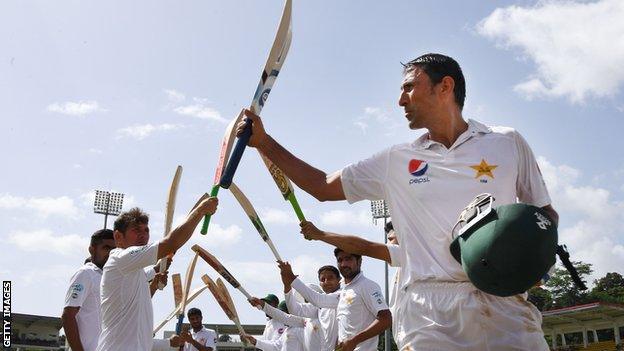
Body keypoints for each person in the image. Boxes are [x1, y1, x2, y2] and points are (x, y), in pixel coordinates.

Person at [236, 53, 557, 350]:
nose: (400, 99)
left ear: (445, 86)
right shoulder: (398, 160)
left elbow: (543, 213)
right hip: (430, 310)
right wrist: (264, 142)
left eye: (409, 87)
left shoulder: (507, 142)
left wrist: (538, 262)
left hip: (502, 297)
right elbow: (322, 186)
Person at [96, 194, 218, 351]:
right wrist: (200, 211)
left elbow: (136, 336)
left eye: (146, 230)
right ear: (118, 237)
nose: (143, 235)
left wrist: (168, 344)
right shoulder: (120, 259)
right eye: (136, 230)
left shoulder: (134, 271)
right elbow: (171, 242)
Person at [279, 249, 391, 351]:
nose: (343, 264)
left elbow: (386, 319)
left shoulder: (368, 286)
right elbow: (311, 303)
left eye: (348, 259)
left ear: (359, 261)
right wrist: (288, 284)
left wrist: (355, 340)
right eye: (340, 260)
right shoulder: (344, 293)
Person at [62, 229, 115, 351]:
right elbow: (68, 316)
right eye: (106, 248)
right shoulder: (85, 273)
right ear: (92, 250)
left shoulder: (107, 277)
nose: (110, 254)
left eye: (114, 250)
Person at [283, 265, 340, 351]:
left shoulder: (343, 295)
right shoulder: (321, 303)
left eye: (330, 278)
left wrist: (292, 279)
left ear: (339, 280)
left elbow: (317, 299)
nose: (326, 282)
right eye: (322, 279)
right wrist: (287, 286)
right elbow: (295, 310)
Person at [242, 299, 319, 351]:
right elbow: (276, 346)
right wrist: (255, 342)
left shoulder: (301, 329)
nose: (280, 318)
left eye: (283, 313)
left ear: (290, 314)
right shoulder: (288, 330)